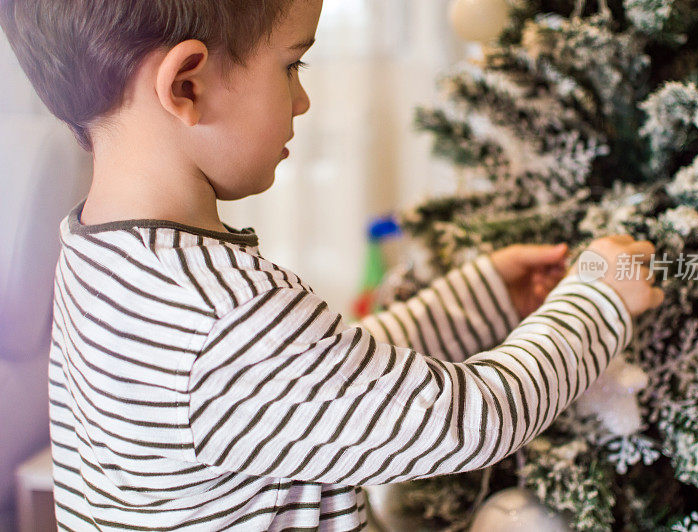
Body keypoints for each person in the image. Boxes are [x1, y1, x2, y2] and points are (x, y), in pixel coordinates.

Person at [0, 0, 664, 529]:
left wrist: (482, 298)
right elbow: (471, 419)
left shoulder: (95, 255)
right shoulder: (221, 315)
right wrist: (598, 302)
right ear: (187, 83)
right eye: (293, 65)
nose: (302, 100)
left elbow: (323, 381)